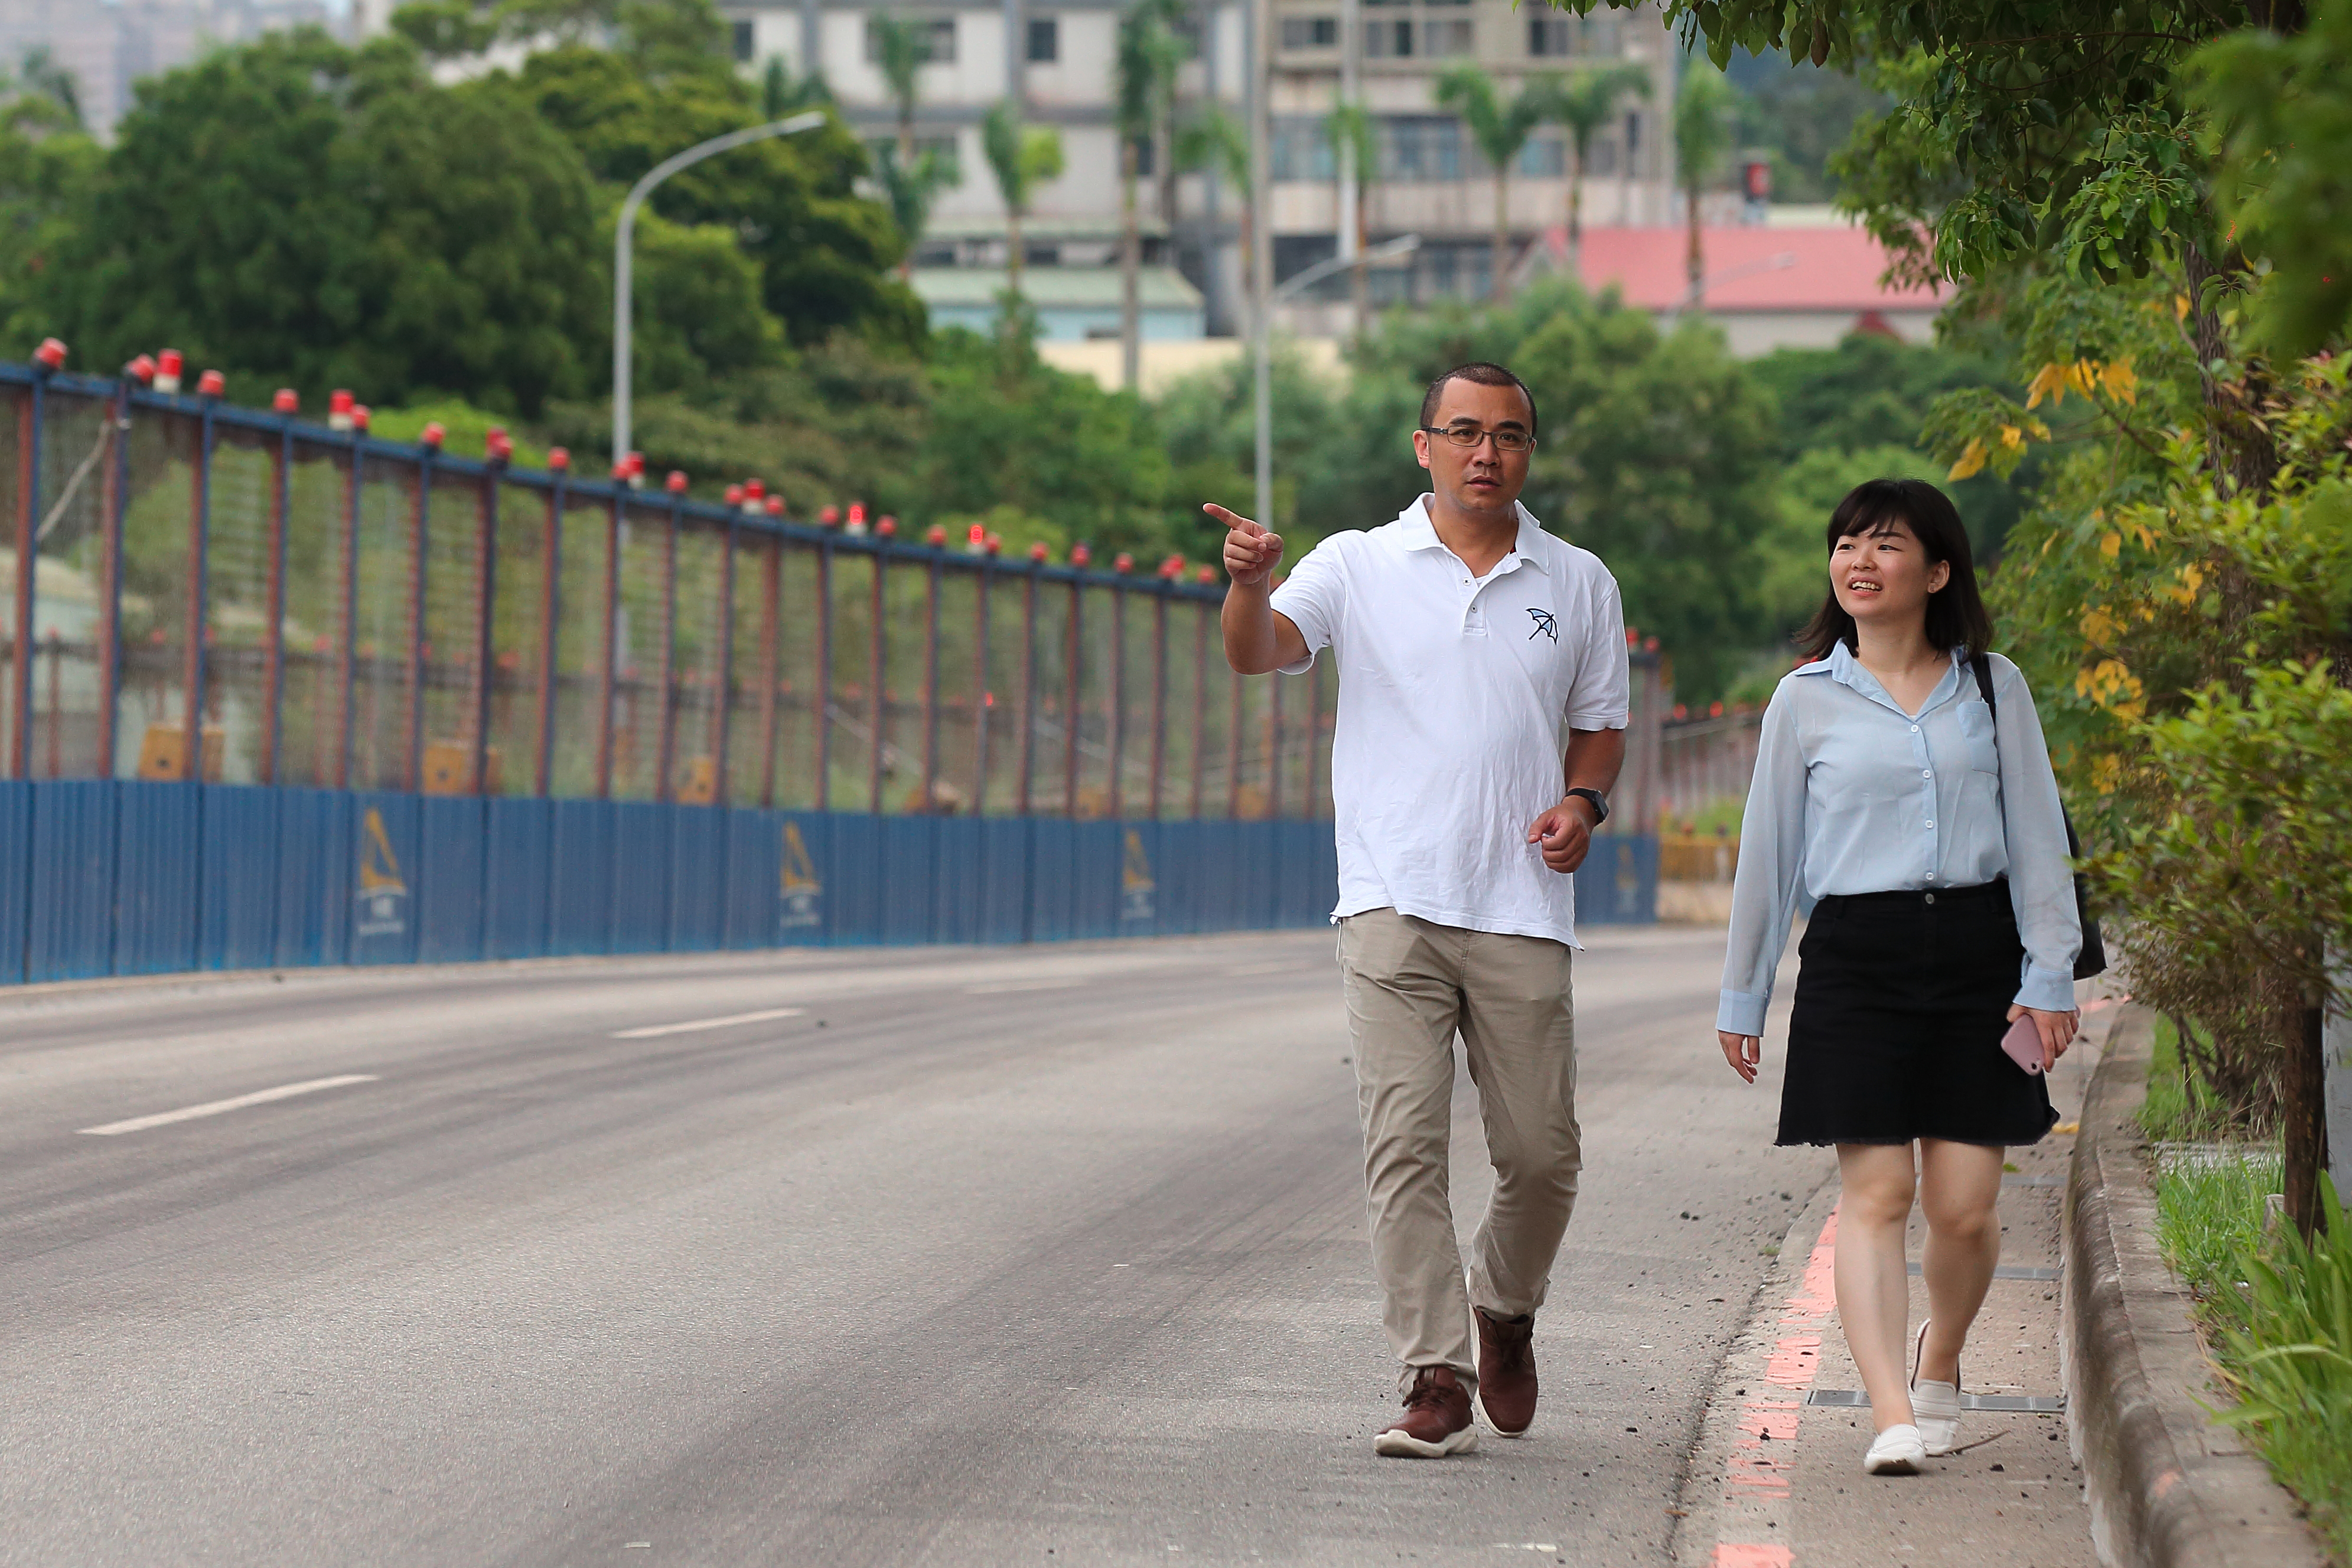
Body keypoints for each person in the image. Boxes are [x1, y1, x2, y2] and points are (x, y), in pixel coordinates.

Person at [1214, 362, 1630, 1458]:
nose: (1484, 451)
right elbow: (1258, 652)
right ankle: (1433, 1374)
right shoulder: (1354, 565)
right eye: (1462, 432)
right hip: (1391, 899)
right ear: (1423, 445)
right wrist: (1249, 583)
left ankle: (1503, 1307)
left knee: (1542, 1156)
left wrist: (1583, 801)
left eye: (1507, 435)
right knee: (1402, 1145)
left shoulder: (1577, 580)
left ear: (1529, 452)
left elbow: (1599, 724)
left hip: (1521, 902)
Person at [1715, 478, 2081, 1476]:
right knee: (1874, 1192)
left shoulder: (1993, 687)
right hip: (1855, 961)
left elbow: (2038, 842)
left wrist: (2048, 976)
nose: (1858, 561)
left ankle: (1940, 1357)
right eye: (1844, 544)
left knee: (1963, 1205)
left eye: (1884, 545)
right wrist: (1742, 996)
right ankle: (1889, 1414)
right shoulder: (1804, 699)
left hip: (1976, 955)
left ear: (1936, 571)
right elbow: (1768, 856)